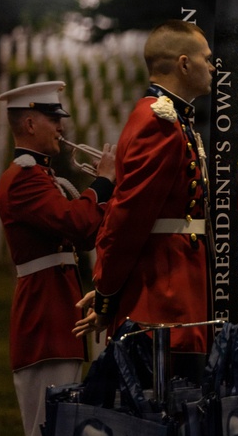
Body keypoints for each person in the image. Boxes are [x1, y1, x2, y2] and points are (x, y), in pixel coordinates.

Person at [0, 81, 115, 436]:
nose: (63, 126)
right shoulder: (24, 177)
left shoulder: (42, 175)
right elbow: (75, 224)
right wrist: (102, 182)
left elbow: (84, 236)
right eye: (54, 118)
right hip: (43, 320)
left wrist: (97, 194)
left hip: (55, 316)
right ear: (29, 122)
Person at [83, 20, 216, 377]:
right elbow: (128, 216)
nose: (213, 67)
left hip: (177, 289)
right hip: (161, 294)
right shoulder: (157, 121)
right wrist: (106, 292)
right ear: (184, 63)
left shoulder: (174, 119)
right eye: (207, 59)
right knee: (161, 412)